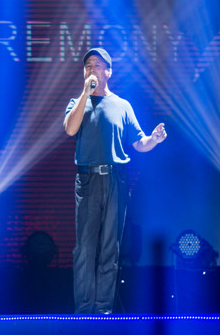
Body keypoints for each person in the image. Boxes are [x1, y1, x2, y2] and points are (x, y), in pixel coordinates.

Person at [63, 47, 167, 314]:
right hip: (87, 180)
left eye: (97, 65)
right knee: (85, 248)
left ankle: (103, 309)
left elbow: (139, 142)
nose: (92, 69)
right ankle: (84, 309)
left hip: (116, 180)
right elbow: (70, 129)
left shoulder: (122, 106)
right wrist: (85, 94)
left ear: (109, 72)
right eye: (88, 65)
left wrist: (154, 140)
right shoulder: (77, 102)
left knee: (111, 247)